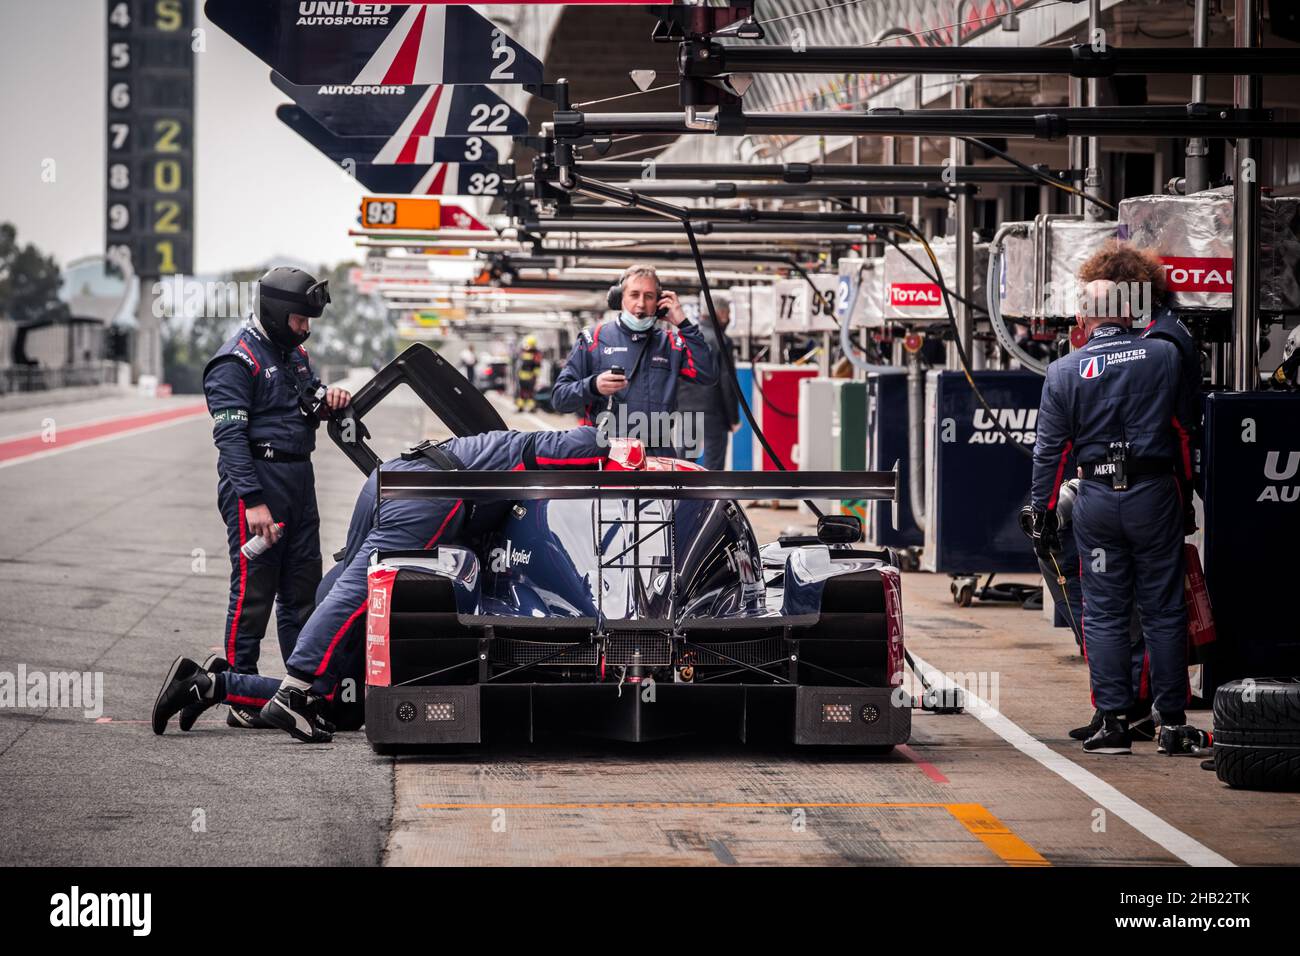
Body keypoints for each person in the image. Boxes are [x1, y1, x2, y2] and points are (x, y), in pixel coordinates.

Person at [153, 426, 613, 743]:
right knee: (358, 594)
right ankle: (295, 689)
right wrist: (609, 449)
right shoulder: (529, 446)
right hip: (427, 497)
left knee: (342, 699)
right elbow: (572, 444)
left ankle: (211, 684)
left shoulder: (488, 447)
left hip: (390, 479)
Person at [1029, 243, 1200, 756]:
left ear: (1084, 317)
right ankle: (1171, 723)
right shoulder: (1166, 353)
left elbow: (1048, 454)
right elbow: (1187, 432)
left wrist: (1039, 512)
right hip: (1155, 495)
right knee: (1164, 609)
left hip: (1097, 499)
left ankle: (1112, 724)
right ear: (1131, 309)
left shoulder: (1063, 371)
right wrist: (1187, 496)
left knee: (1103, 612)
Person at [201, 266, 351, 729]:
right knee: (253, 593)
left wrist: (330, 401)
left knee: (302, 595)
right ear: (277, 311)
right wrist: (253, 502)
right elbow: (229, 441)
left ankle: (295, 694)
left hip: (299, 481)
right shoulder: (235, 361)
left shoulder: (294, 353)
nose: (305, 328)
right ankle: (241, 698)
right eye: (299, 319)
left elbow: (306, 398)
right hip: (259, 483)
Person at [550, 264, 717, 456]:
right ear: (619, 298)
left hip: (658, 455)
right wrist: (593, 386)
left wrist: (684, 324)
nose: (641, 304)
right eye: (634, 295)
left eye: (649, 296)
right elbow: (560, 399)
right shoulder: (593, 339)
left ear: (659, 302)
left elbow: (708, 374)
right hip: (606, 453)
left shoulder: (672, 344)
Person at [676, 299, 740, 470]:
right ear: (722, 314)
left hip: (687, 409)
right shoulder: (722, 341)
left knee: (685, 460)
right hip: (714, 412)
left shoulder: (687, 338)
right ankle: (712, 496)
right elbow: (727, 381)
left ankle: (679, 494)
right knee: (714, 462)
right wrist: (733, 418)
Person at [515, 335, 543, 412]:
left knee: (529, 393)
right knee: (522, 393)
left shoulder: (535, 353)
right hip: (523, 376)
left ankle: (530, 407)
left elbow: (537, 366)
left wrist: (535, 376)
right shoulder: (526, 352)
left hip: (530, 376)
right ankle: (521, 407)